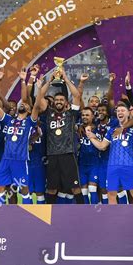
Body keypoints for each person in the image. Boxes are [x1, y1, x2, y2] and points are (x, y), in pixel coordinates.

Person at [0, 73, 43, 204]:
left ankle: (27, 214)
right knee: (0, 187)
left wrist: (39, 89)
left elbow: (37, 106)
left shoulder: (30, 121)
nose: (23, 105)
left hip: (20, 159)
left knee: (23, 188)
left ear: (29, 110)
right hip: (6, 159)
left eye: (26, 105)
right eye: (21, 104)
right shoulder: (8, 120)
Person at [36, 68, 84, 204]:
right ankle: (47, 217)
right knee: (51, 189)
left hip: (68, 154)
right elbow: (39, 99)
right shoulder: (48, 113)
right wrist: (50, 81)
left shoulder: (71, 114)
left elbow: (77, 96)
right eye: (56, 100)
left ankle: (85, 216)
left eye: (61, 100)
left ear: (65, 103)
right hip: (52, 155)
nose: (58, 101)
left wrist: (66, 79)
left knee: (75, 188)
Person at [87, 103, 133, 205]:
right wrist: (91, 137)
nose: (120, 112)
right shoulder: (112, 130)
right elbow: (102, 146)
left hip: (128, 166)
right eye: (118, 111)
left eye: (122, 110)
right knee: (111, 194)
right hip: (112, 166)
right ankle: (114, 220)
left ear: (128, 113)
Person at [77, 107, 100, 204]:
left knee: (92, 188)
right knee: (83, 191)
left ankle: (95, 213)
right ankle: (86, 214)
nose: (84, 117)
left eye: (87, 115)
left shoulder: (98, 129)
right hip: (81, 164)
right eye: (83, 115)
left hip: (94, 164)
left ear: (92, 116)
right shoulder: (77, 129)